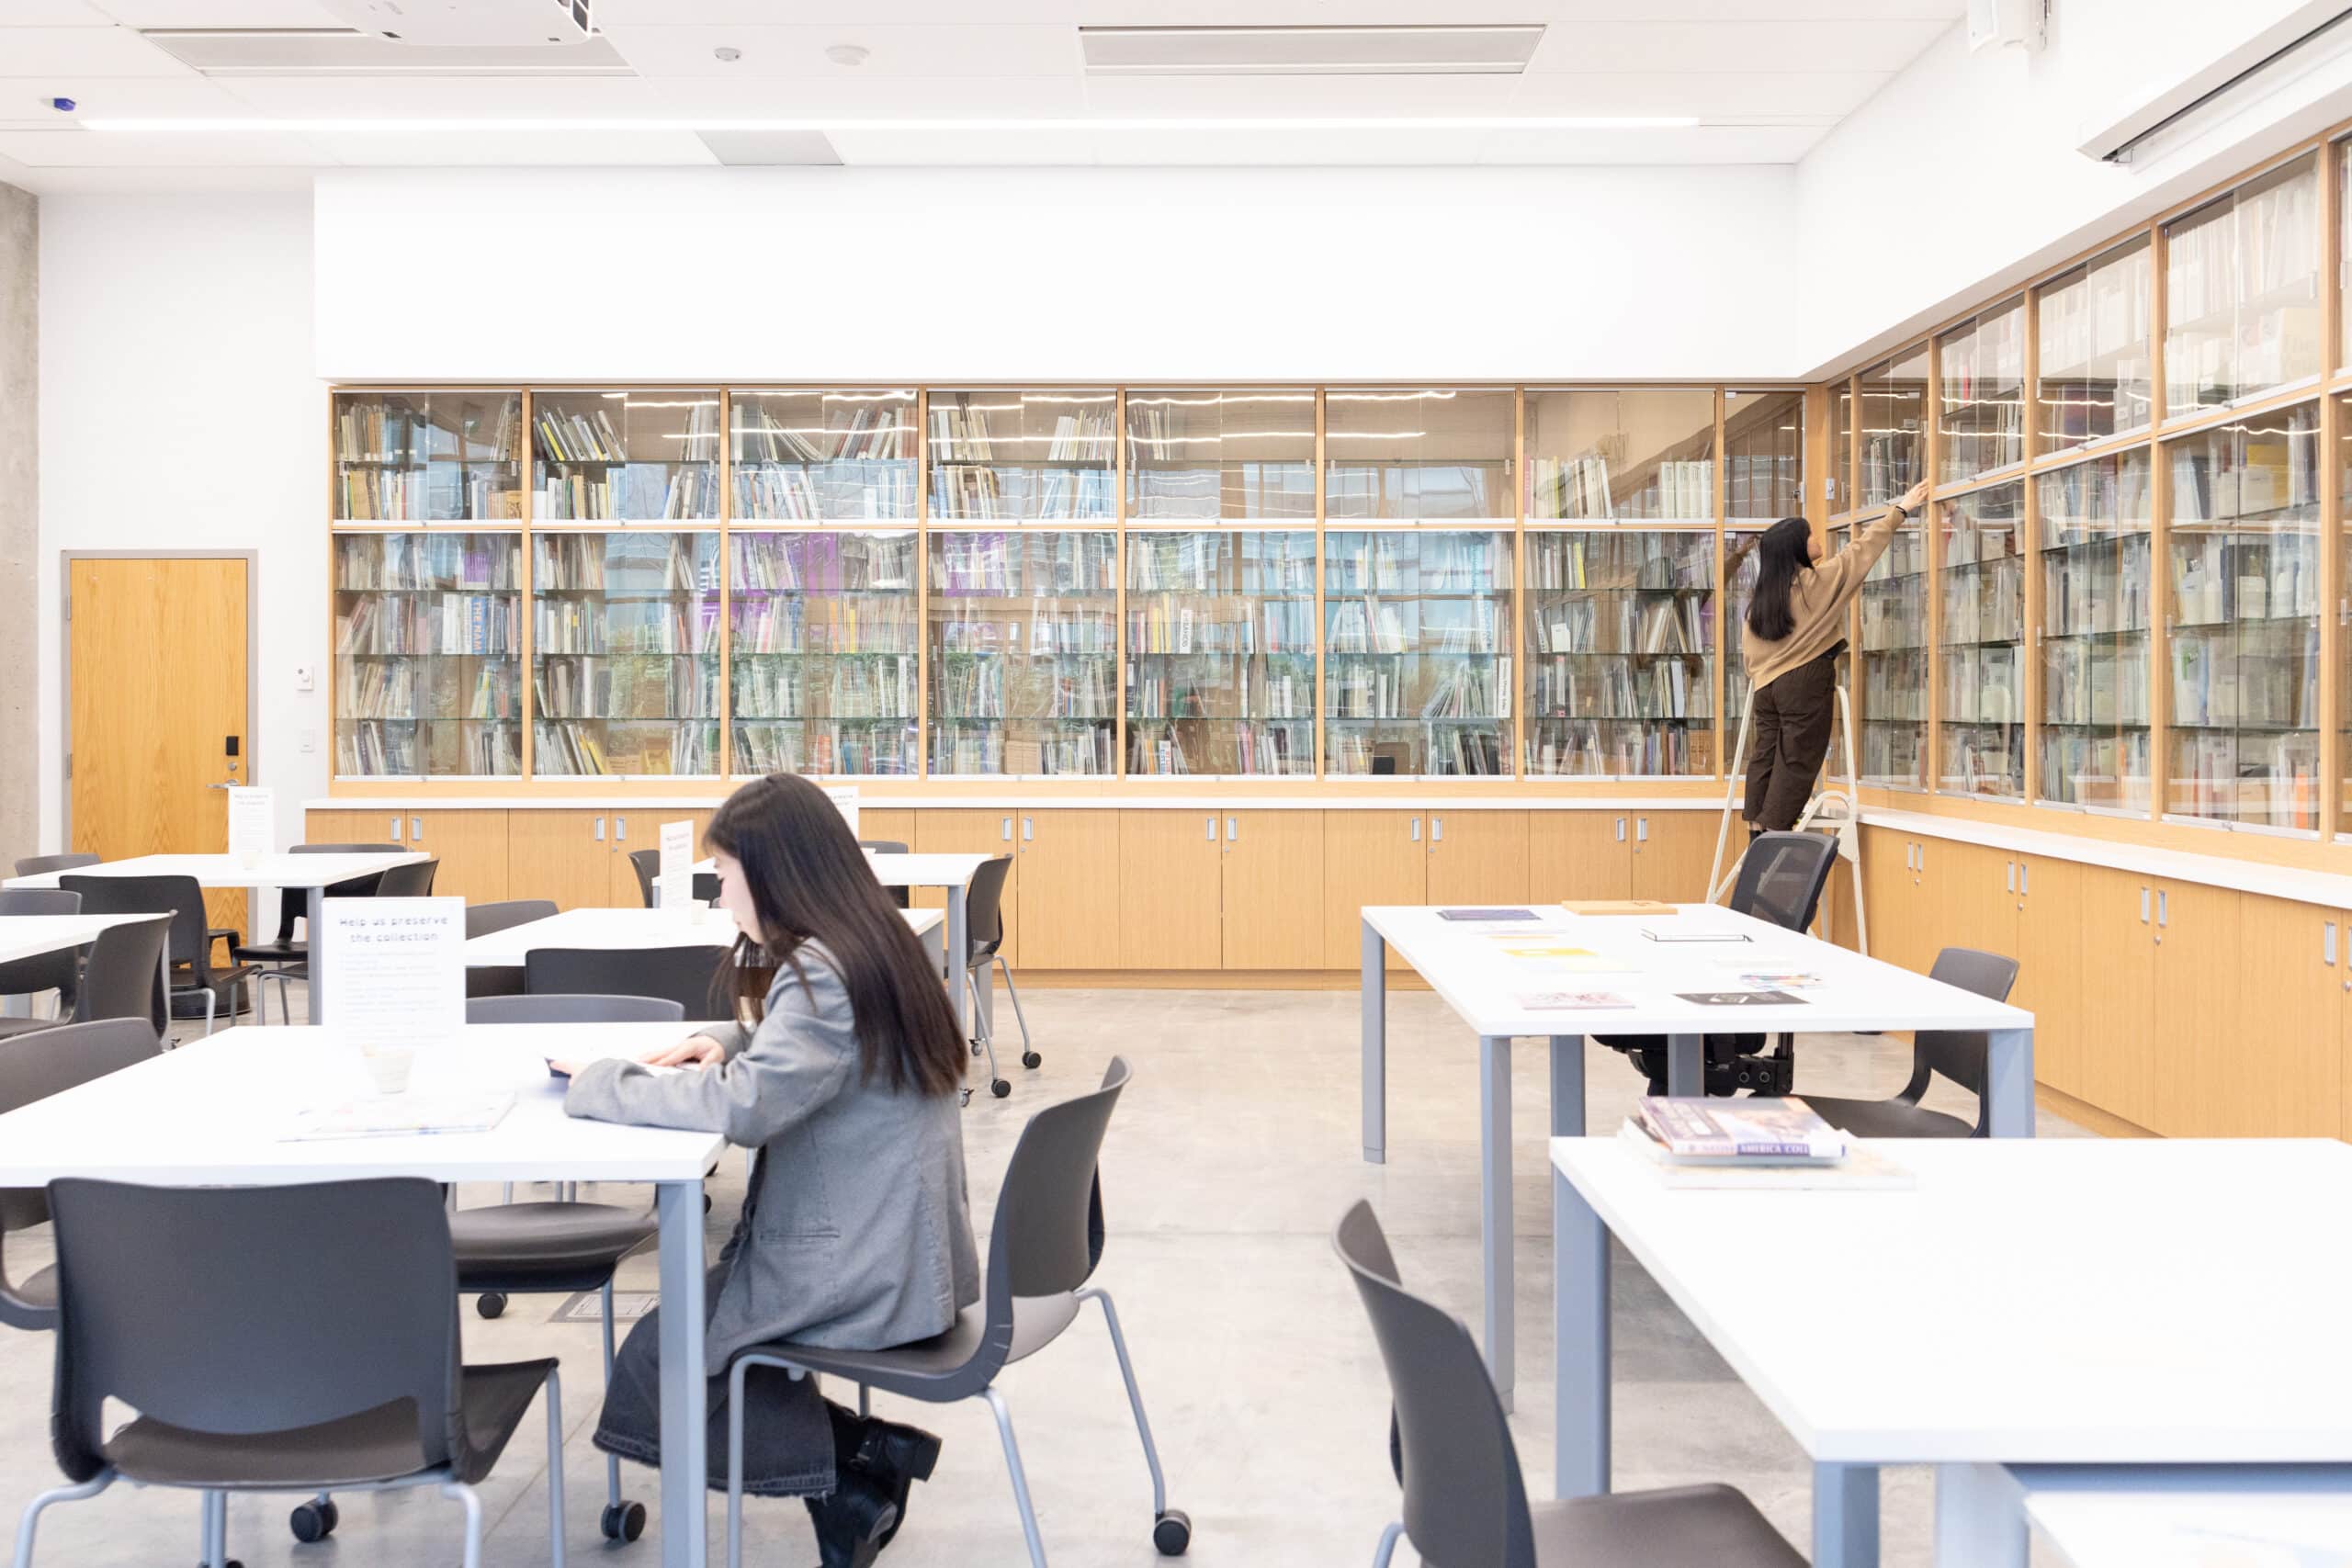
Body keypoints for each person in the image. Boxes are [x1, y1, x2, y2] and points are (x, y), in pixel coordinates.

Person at [552, 773, 978, 1568]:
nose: (720, 898)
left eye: (724, 876)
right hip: (905, 1251)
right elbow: (820, 1057)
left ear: (773, 871)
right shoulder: (873, 942)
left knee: (660, 1362)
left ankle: (856, 1468)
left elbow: (746, 1109)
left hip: (859, 1263)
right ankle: (855, 1471)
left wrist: (601, 1080)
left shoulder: (821, 972)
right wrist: (734, 1041)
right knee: (681, 1346)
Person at [1738, 476, 1931, 835]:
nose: (1816, 540)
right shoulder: (1816, 584)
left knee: (1764, 756)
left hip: (1765, 690)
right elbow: (1861, 552)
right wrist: (1900, 510)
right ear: (1796, 548)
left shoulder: (1759, 604)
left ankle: (1756, 829)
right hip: (1804, 682)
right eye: (1809, 536)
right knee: (1797, 761)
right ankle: (1776, 833)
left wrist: (1768, 674)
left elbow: (1750, 655)